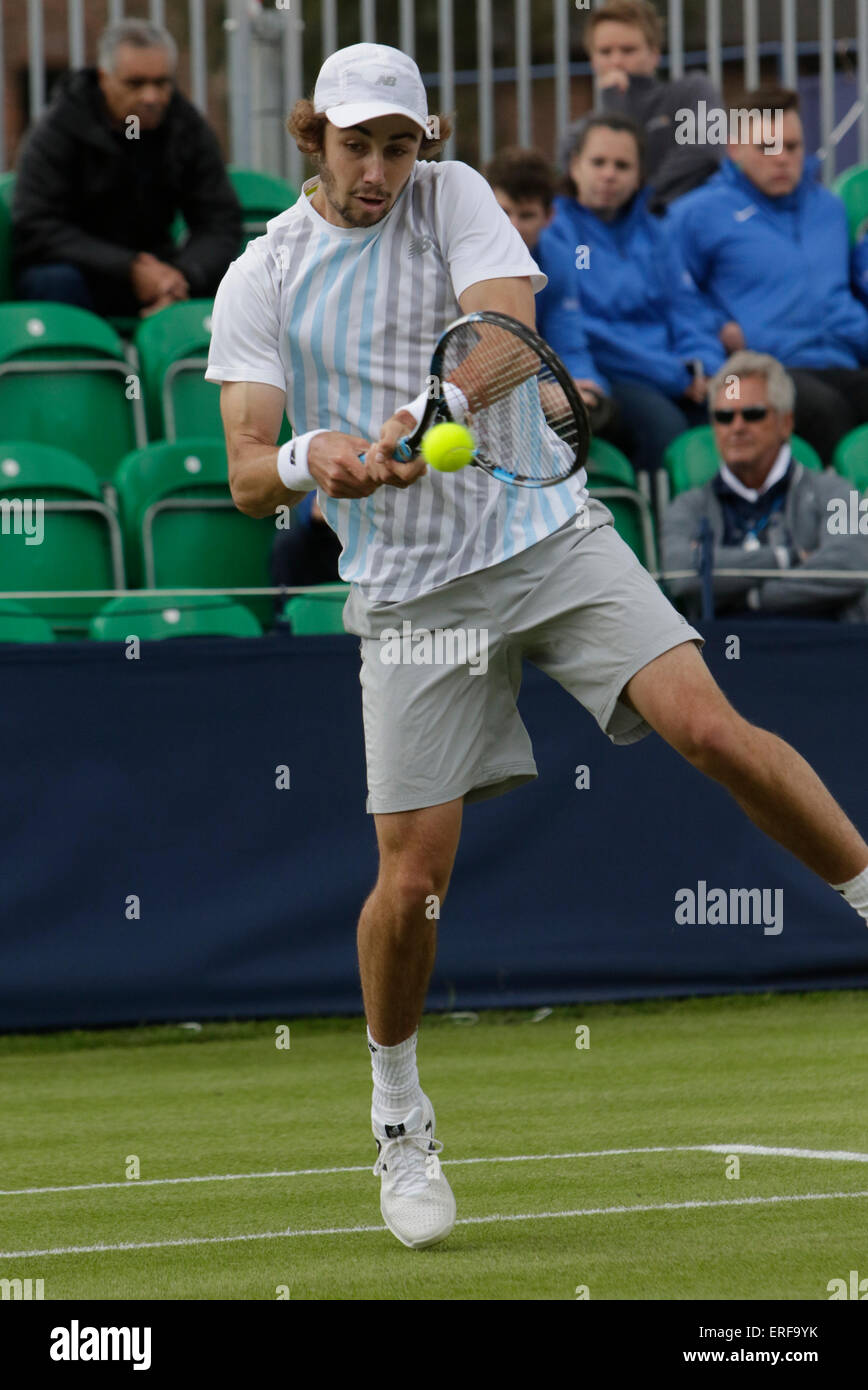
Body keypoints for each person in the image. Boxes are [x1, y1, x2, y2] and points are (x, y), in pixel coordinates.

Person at [206, 42, 868, 1253]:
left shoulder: (450, 195)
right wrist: (318, 458)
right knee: (413, 882)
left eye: (399, 143)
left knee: (711, 727)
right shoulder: (262, 277)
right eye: (357, 145)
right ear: (314, 139)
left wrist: (430, 413)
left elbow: (504, 332)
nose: (380, 169)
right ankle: (398, 1114)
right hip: (409, 594)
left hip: (541, 529)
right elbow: (251, 469)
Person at [668, 88, 868, 464]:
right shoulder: (697, 214)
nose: (783, 159)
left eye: (792, 147)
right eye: (767, 147)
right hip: (767, 366)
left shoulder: (828, 206)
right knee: (828, 414)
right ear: (734, 149)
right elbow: (672, 293)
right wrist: (717, 331)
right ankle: (838, 517)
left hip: (842, 357)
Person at [11, 19, 241, 320]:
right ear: (105, 78)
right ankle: (77, 365)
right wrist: (127, 266)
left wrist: (181, 277)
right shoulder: (59, 128)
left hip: (161, 275)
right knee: (53, 281)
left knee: (236, 276)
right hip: (81, 273)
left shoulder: (186, 127)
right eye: (136, 83)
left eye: (161, 83)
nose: (151, 97)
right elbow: (35, 225)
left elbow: (220, 221)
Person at [536, 113, 724, 477]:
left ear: (639, 175)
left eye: (622, 165)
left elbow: (686, 309)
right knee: (665, 427)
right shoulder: (555, 232)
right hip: (609, 375)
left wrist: (703, 365)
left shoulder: (657, 234)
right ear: (574, 166)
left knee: (733, 416)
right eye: (598, 162)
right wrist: (675, 374)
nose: (609, 174)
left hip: (673, 375)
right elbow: (584, 330)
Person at [662, 352, 868, 621]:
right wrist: (787, 558)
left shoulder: (837, 492)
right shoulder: (688, 505)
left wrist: (752, 598)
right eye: (724, 416)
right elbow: (680, 574)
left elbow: (853, 564)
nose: (737, 427)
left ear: (786, 423)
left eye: (753, 414)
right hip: (721, 656)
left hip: (820, 650)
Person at [484, 144, 614, 434]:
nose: (512, 226)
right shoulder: (456, 257)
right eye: (503, 212)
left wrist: (585, 388)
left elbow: (567, 342)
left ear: (549, 217)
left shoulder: (558, 260)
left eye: (526, 215)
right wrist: (536, 391)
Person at [560, 0, 723, 214]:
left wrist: (639, 208)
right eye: (605, 52)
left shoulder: (691, 91)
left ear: (654, 55)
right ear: (593, 61)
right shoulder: (577, 134)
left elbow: (707, 153)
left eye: (628, 50)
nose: (616, 61)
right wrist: (615, 104)